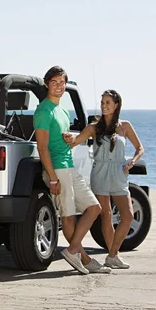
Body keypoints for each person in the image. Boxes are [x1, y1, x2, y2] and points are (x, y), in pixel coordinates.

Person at [33, 66, 110, 275]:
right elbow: (42, 147)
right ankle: (83, 258)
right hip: (57, 169)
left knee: (94, 208)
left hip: (69, 165)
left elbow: (62, 139)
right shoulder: (43, 111)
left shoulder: (62, 111)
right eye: (55, 82)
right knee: (67, 216)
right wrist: (53, 178)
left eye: (62, 82)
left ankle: (73, 250)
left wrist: (69, 138)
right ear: (47, 84)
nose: (59, 86)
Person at [63, 89, 143, 269]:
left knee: (128, 215)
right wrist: (68, 137)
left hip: (119, 172)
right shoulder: (93, 127)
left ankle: (112, 255)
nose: (104, 106)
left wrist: (132, 162)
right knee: (106, 215)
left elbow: (140, 148)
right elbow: (76, 140)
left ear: (116, 105)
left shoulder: (125, 126)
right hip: (100, 172)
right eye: (102, 103)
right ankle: (113, 256)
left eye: (108, 102)